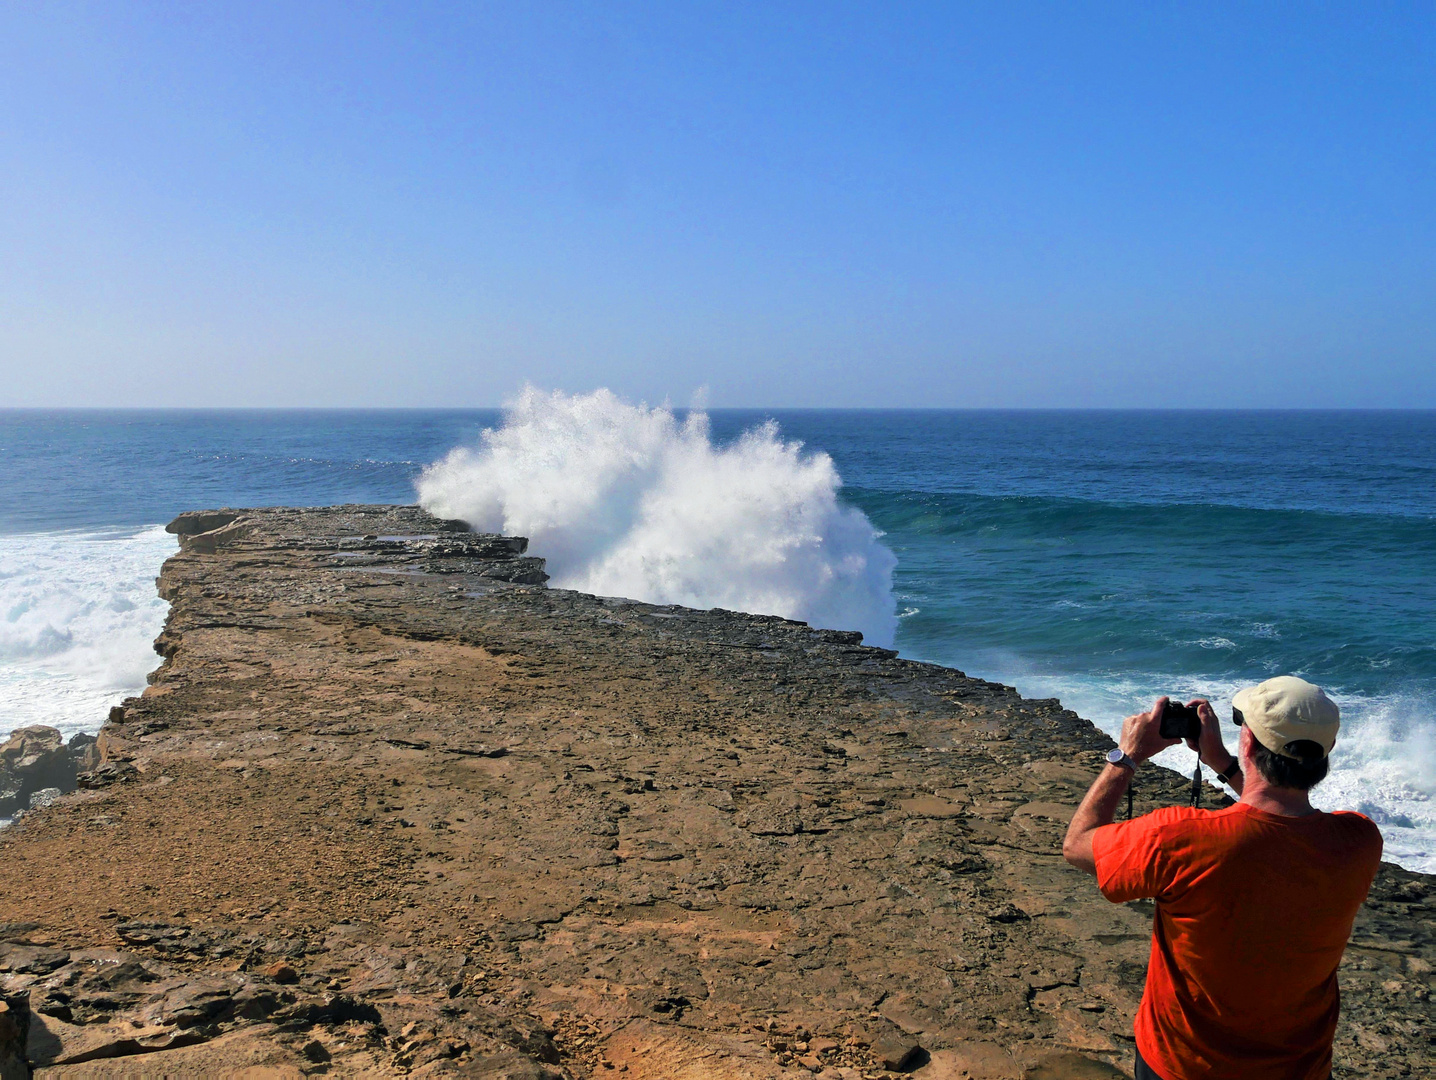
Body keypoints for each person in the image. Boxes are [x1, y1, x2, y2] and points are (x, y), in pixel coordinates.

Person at [1062, 676, 1383, 1080]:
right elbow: (1274, 817)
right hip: (1301, 1069)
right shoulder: (1359, 840)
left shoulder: (1180, 837)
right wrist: (1223, 764)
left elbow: (1077, 844)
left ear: (1247, 743)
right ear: (1328, 750)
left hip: (1184, 1066)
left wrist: (1126, 756)